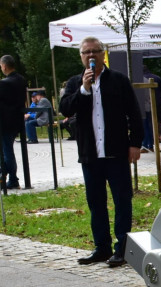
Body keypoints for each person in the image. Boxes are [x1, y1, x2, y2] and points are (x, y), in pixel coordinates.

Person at [59, 36, 142, 267]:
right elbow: (64, 108)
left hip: (116, 152)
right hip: (90, 154)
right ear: (81, 57)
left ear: (103, 54)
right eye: (87, 52)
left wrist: (135, 143)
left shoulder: (118, 80)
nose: (91, 55)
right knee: (96, 202)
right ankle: (101, 247)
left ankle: (123, 248)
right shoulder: (76, 82)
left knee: (122, 200)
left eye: (96, 51)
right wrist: (84, 89)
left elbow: (135, 114)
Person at [0, 54, 26, 189]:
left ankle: (11, 178)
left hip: (6, 121)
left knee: (7, 152)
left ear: (4, 66)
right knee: (8, 150)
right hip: (18, 120)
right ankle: (5, 176)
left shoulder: (4, 83)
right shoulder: (21, 79)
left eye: (1, 66)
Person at [140, 63, 161, 153]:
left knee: (145, 126)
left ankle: (146, 145)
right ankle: (153, 144)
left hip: (144, 107)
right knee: (156, 124)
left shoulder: (141, 80)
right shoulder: (157, 78)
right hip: (157, 105)